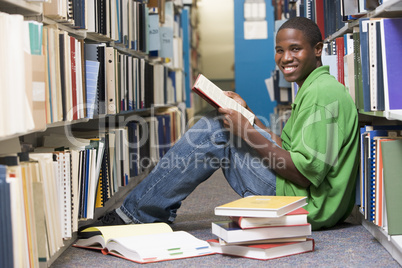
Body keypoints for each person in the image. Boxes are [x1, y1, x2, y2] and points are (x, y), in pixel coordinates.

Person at [80, 17, 359, 233]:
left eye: (295, 49)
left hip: (307, 204)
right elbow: (286, 148)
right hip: (305, 196)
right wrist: (248, 116)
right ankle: (146, 211)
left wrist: (245, 131)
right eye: (280, 50)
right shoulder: (315, 87)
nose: (285, 58)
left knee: (213, 130)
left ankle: (135, 216)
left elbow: (303, 174)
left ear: (318, 49)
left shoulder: (321, 95)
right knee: (222, 126)